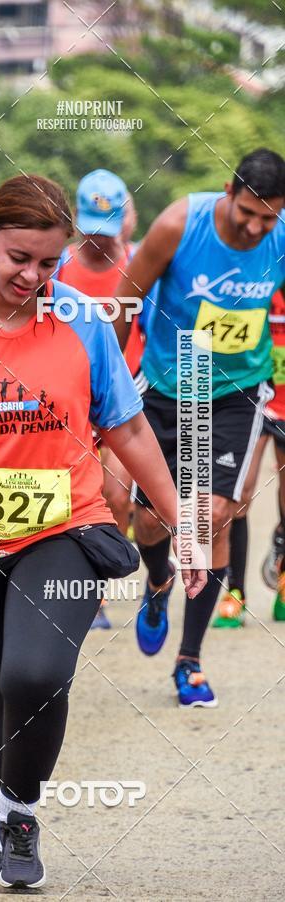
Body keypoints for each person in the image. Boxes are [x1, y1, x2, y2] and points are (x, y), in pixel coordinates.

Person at [0, 174, 205, 888]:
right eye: (18, 258)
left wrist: (179, 520)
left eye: (48, 263)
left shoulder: (84, 320)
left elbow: (124, 426)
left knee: (32, 674)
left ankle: (21, 812)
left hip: (64, 528)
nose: (32, 276)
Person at [115, 147, 285, 705]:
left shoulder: (280, 238)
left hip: (239, 392)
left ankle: (188, 661)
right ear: (229, 193)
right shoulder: (178, 225)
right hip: (168, 385)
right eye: (248, 213)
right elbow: (124, 303)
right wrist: (105, 389)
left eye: (270, 217)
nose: (257, 227)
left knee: (212, 514)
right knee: (149, 520)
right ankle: (159, 580)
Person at [55, 173, 147, 627]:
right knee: (70, 496)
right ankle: (86, 590)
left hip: (125, 397)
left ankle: (104, 581)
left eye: (105, 225)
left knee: (114, 492)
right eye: (89, 225)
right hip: (69, 403)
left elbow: (157, 333)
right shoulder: (60, 267)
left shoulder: (137, 265)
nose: (97, 237)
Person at [213, 285, 285, 626]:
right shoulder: (259, 287)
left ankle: (283, 583)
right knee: (237, 498)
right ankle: (236, 592)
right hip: (255, 402)